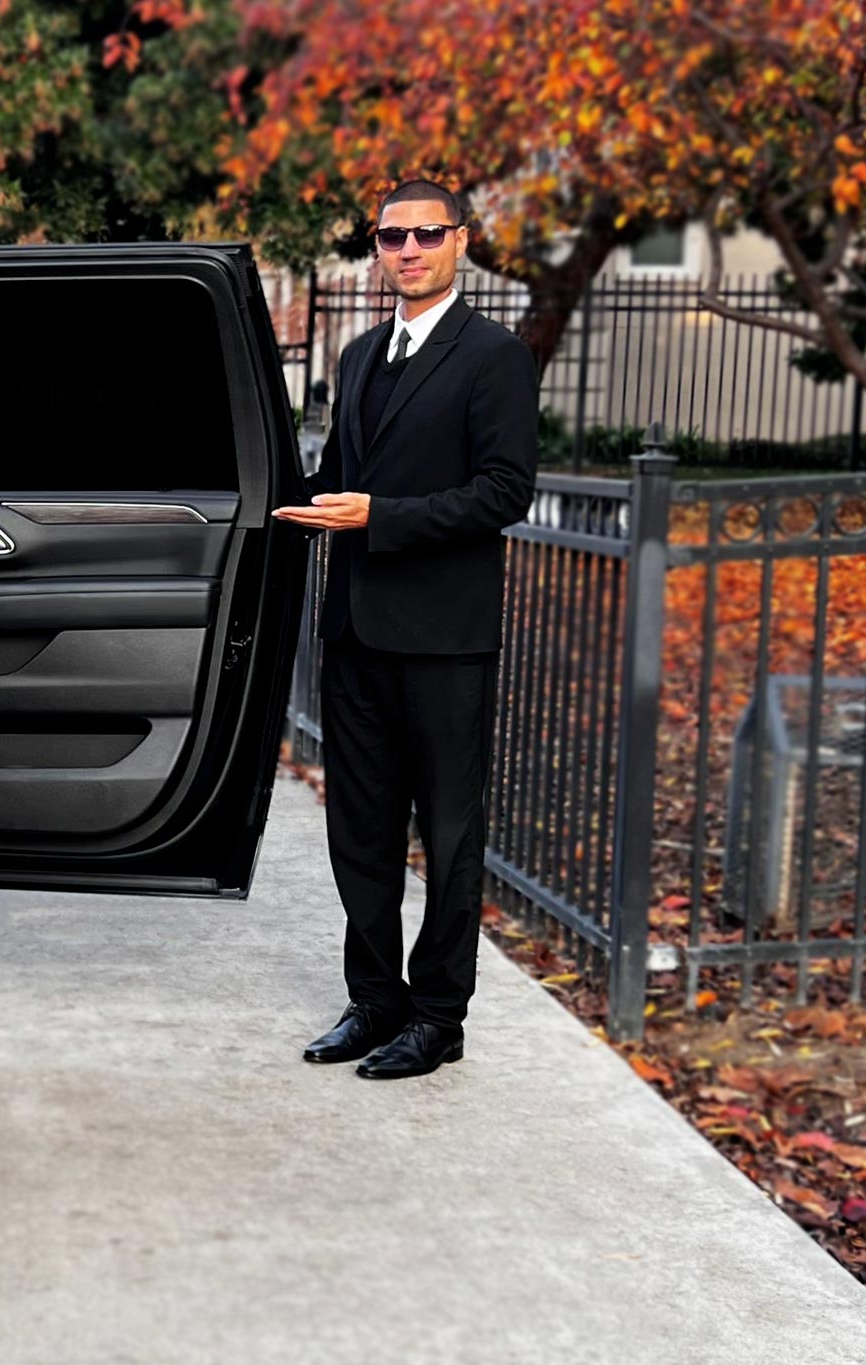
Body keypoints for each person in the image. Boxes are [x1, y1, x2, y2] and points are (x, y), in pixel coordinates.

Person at [272, 179, 539, 1080]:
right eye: (391, 236)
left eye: (426, 234)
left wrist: (377, 520)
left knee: (450, 835)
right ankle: (374, 1000)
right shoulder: (356, 356)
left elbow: (504, 492)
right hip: (353, 632)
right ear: (376, 247)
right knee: (361, 831)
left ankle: (437, 1016)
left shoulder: (492, 356)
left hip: (442, 640)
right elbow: (334, 478)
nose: (408, 250)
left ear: (460, 241)